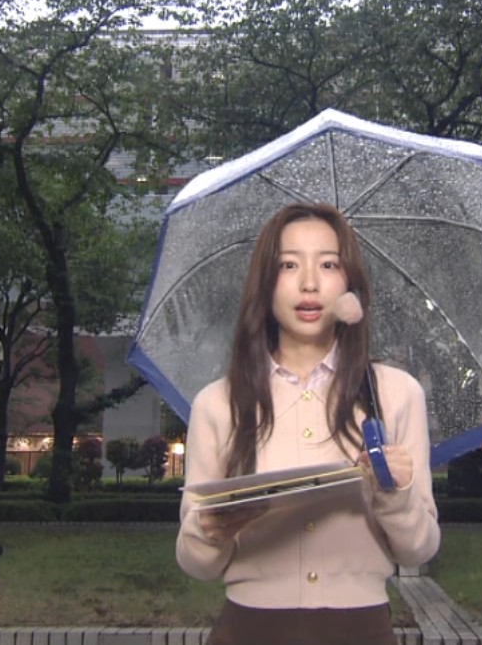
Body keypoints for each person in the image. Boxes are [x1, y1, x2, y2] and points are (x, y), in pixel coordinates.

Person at [176, 202, 441, 645]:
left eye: (329, 264)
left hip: (362, 631)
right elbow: (195, 564)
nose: (310, 283)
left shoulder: (396, 394)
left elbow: (420, 548)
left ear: (350, 284)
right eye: (288, 264)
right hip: (248, 630)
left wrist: (395, 495)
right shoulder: (218, 403)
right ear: (265, 282)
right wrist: (211, 529)